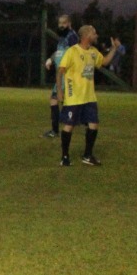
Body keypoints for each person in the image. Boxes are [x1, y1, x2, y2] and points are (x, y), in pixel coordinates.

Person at [56, 24, 120, 167]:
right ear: (86, 36)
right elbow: (60, 72)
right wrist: (60, 92)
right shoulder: (72, 52)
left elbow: (103, 62)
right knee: (69, 126)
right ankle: (65, 156)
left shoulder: (93, 52)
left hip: (89, 97)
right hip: (74, 97)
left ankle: (87, 155)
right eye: (94, 33)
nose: (96, 35)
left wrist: (114, 49)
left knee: (93, 125)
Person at [42, 14, 79, 138]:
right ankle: (66, 126)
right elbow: (60, 52)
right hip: (61, 74)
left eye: (63, 23)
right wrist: (51, 59)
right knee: (61, 100)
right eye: (59, 23)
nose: (61, 26)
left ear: (69, 24)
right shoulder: (63, 37)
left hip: (66, 75)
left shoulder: (72, 36)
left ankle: (56, 130)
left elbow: (76, 54)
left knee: (55, 99)